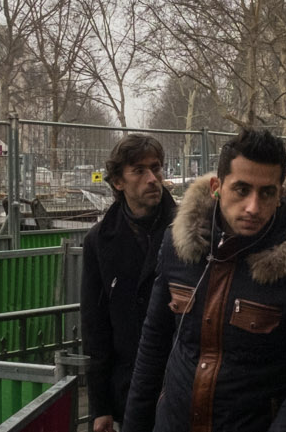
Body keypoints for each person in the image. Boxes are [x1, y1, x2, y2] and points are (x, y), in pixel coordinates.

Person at [123, 127, 286, 432]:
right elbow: (153, 347)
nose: (253, 207)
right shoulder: (180, 243)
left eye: (267, 193)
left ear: (279, 195)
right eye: (241, 189)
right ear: (217, 187)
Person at [82, 134, 178, 432]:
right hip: (129, 387)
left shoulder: (190, 229)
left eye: (157, 168)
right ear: (117, 182)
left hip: (179, 385)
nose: (152, 178)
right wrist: (100, 407)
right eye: (139, 170)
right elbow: (95, 326)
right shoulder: (99, 241)